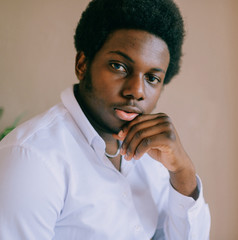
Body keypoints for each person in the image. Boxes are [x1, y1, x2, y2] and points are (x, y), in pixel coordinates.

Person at [0, 0, 211, 239]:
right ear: (82, 64)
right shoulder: (31, 159)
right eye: (119, 66)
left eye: (152, 78)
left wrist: (182, 172)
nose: (137, 91)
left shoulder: (154, 158)